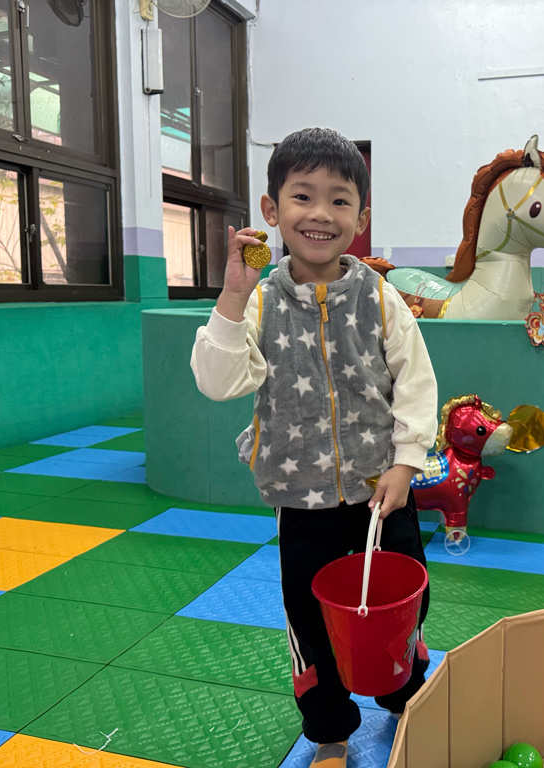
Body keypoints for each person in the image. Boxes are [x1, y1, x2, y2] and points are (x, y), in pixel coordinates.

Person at [190, 127, 438, 768]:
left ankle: (407, 695)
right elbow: (218, 382)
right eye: (303, 197)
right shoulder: (259, 302)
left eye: (339, 200)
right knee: (310, 617)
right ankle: (329, 730)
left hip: (382, 492)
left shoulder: (380, 297)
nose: (320, 214)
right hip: (300, 498)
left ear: (361, 218)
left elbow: (415, 382)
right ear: (272, 211)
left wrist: (406, 462)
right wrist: (232, 295)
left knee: (404, 601)